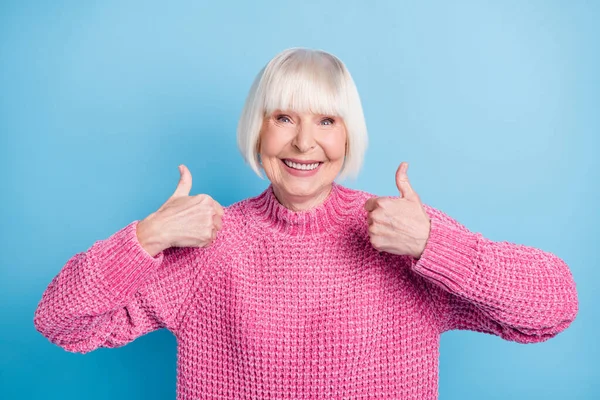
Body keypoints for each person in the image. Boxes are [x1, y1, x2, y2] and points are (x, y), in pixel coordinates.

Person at [33, 47, 579, 399]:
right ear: (259, 132)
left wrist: (436, 245)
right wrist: (148, 237)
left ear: (348, 136)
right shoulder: (209, 246)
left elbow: (553, 307)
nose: (303, 142)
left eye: (325, 120)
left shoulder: (402, 234)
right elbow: (61, 322)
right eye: (284, 118)